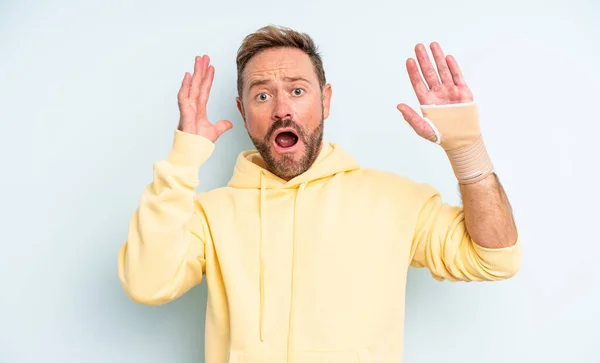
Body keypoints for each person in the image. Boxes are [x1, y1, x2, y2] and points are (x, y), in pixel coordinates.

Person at [118, 25, 521, 363]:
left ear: (325, 100)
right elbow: (146, 283)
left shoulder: (394, 200)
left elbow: (494, 258)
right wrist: (184, 156)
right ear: (243, 112)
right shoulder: (210, 215)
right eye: (262, 95)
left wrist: (466, 148)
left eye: (297, 91)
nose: (281, 110)